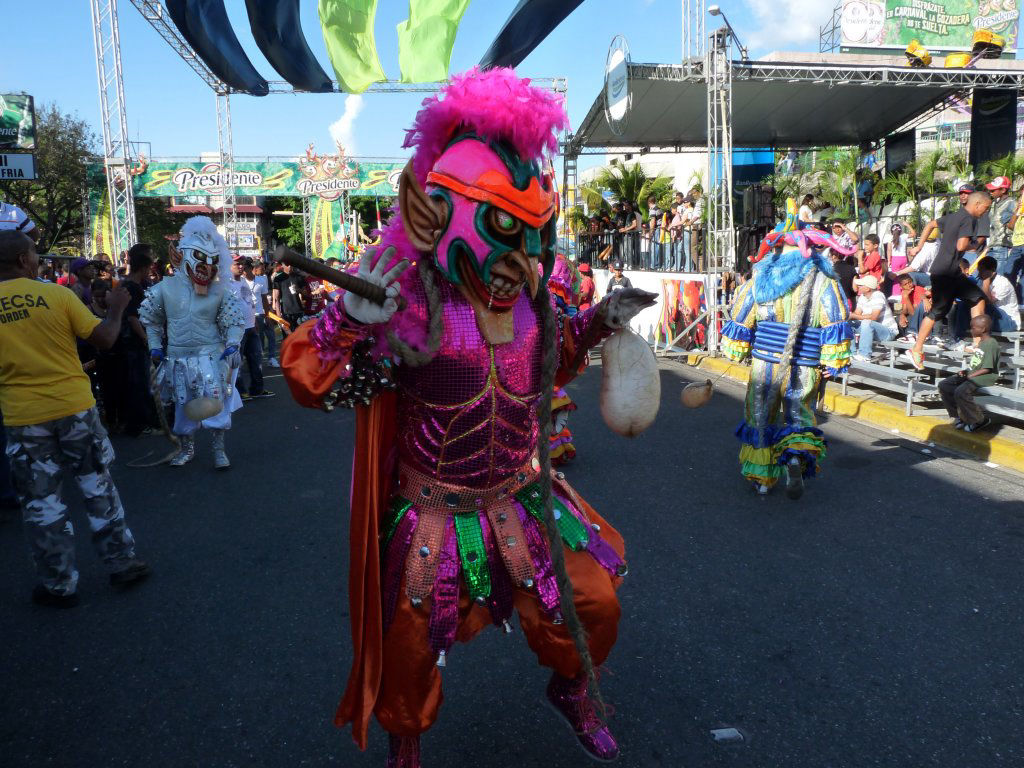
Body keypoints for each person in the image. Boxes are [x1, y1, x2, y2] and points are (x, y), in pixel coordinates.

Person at [279, 68, 656, 767]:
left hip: (522, 498)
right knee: (408, 654)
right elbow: (311, 381)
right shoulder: (411, 299)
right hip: (432, 514)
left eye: (534, 236)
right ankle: (406, 743)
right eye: (504, 231)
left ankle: (574, 689)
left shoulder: (536, 302)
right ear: (432, 212)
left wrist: (600, 323)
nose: (520, 259)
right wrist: (344, 324)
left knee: (593, 602)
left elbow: (553, 363)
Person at [0, 230, 150, 607]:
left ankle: (58, 584)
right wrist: (116, 307)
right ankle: (122, 563)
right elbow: (104, 338)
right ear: (22, 261)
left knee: (42, 503)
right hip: (75, 410)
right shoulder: (56, 295)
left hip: (23, 417)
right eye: (34, 254)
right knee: (97, 486)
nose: (37, 259)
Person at [723, 225, 853, 498]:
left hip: (765, 362)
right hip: (805, 363)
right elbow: (835, 318)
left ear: (780, 247)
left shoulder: (762, 275)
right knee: (799, 414)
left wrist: (736, 348)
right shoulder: (824, 279)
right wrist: (833, 361)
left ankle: (762, 479)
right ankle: (794, 459)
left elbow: (742, 314)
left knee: (760, 415)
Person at [139, 217, 246, 469]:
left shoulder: (220, 291)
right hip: (178, 358)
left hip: (211, 358)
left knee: (216, 405)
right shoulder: (163, 289)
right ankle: (186, 449)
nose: (206, 266)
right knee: (183, 406)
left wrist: (232, 343)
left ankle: (219, 450)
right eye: (200, 256)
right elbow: (151, 319)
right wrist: (154, 344)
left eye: (212, 260)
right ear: (180, 256)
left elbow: (233, 321)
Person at [905, 191, 992, 370]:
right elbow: (961, 245)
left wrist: (919, 247)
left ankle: (977, 345)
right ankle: (916, 349)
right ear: (977, 204)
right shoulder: (968, 219)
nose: (986, 211)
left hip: (951, 273)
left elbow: (930, 224)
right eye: (986, 207)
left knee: (977, 297)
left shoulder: (952, 216)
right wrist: (975, 245)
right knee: (937, 311)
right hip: (945, 273)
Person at [118, 244, 159, 436]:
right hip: (133, 342)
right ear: (142, 268)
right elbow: (133, 317)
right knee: (139, 383)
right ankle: (139, 425)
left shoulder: (127, 284)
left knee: (140, 382)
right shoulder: (131, 287)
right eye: (149, 268)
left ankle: (143, 421)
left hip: (131, 341)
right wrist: (146, 339)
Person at [938, 315, 1000, 433]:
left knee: (960, 391)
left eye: (973, 328)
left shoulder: (992, 344)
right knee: (944, 385)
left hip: (985, 377)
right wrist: (965, 372)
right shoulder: (982, 342)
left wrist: (969, 376)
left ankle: (978, 420)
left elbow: (987, 368)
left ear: (983, 329)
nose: (971, 330)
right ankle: (959, 416)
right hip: (973, 374)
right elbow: (977, 364)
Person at [228, 256, 274, 399]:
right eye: (237, 264)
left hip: (250, 327)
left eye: (242, 264)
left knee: (256, 359)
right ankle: (240, 392)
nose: (241, 267)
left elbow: (249, 302)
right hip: (236, 330)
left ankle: (257, 390)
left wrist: (254, 321)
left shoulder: (242, 281)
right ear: (229, 265)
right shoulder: (226, 284)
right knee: (237, 362)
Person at [849, 275, 898, 361]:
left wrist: (853, 316)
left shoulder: (878, 295)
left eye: (861, 285)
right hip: (871, 329)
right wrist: (847, 316)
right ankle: (850, 353)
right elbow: (857, 313)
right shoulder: (862, 297)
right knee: (848, 324)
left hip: (889, 331)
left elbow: (873, 317)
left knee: (866, 322)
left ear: (868, 288)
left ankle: (865, 355)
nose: (858, 287)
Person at [976, 255, 1022, 331]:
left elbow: (988, 302)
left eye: (982, 271)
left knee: (985, 305)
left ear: (993, 270)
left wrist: (986, 281)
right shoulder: (980, 281)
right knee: (963, 305)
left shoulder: (1003, 283)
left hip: (1009, 321)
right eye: (979, 271)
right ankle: (959, 337)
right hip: (992, 318)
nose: (979, 274)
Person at [984, 176, 1015, 277]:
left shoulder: (1011, 203)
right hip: (992, 246)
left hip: (1003, 246)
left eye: (993, 190)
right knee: (987, 278)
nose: (990, 191)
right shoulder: (994, 203)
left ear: (1003, 190)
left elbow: (1013, 226)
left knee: (998, 278)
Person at [250, 260, 278, 366]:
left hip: (265, 311)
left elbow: (265, 297)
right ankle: (259, 360)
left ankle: (271, 358)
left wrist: (268, 312)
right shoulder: (245, 281)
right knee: (259, 338)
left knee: (271, 335)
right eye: (261, 269)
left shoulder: (264, 278)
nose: (263, 270)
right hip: (255, 315)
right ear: (255, 269)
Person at [272, 260, 307, 335]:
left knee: (300, 335)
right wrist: (278, 316)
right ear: (282, 266)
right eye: (287, 265)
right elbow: (276, 298)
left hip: (299, 310)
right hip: (286, 312)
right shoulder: (278, 279)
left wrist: (299, 290)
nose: (290, 267)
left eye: (291, 265)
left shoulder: (298, 277)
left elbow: (306, 293)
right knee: (288, 337)